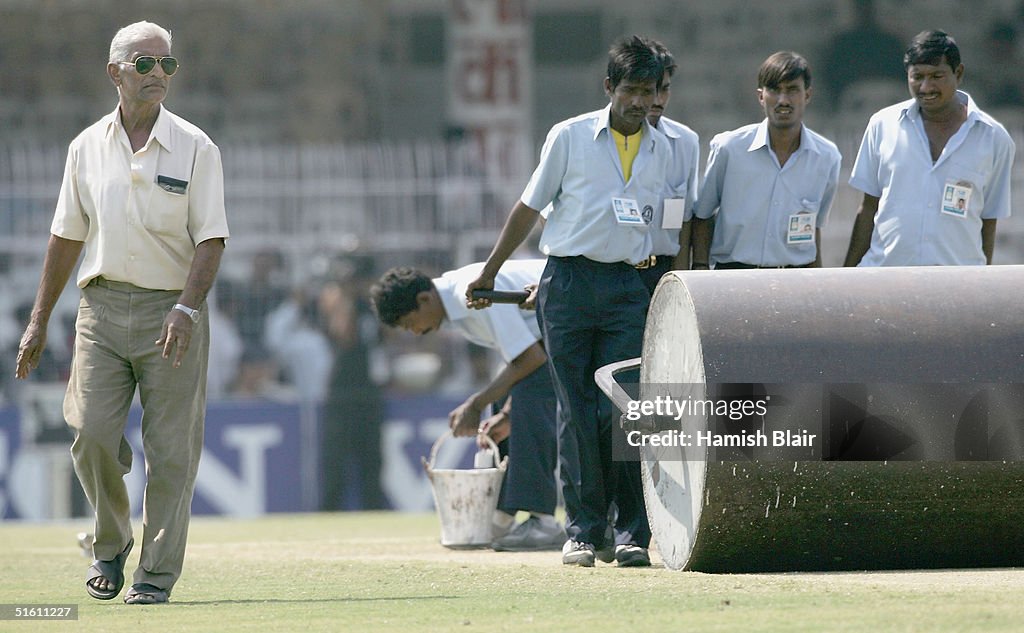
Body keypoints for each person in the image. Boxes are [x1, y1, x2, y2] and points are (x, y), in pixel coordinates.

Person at [14, 21, 229, 605]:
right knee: (89, 433)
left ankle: (155, 576)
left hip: (172, 311)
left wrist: (187, 307)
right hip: (100, 308)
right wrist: (38, 321)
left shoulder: (196, 146)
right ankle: (110, 543)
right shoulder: (85, 147)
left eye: (167, 65)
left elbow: (210, 239)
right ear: (115, 72)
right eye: (145, 64)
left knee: (171, 454)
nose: (159, 73)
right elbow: (65, 237)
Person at [466, 35, 672, 568]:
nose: (638, 102)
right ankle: (582, 531)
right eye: (629, 89)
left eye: (647, 91)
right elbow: (529, 209)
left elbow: (667, 228)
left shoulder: (664, 148)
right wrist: (489, 273)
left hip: (628, 287)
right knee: (577, 411)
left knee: (623, 410)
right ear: (609, 87)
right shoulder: (571, 137)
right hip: (569, 285)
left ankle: (630, 532)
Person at [371, 260, 565, 551]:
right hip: (564, 333)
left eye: (411, 323)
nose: (415, 332)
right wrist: (505, 413)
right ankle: (503, 515)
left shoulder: (471, 293)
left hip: (596, 314)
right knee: (505, 401)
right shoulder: (459, 306)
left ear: (424, 299)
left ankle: (542, 521)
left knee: (518, 396)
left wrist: (476, 404)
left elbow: (531, 359)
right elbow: (530, 354)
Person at [844, 30, 1016, 267]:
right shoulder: (882, 125)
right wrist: (848, 276)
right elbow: (868, 208)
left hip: (957, 282)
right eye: (917, 76)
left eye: (937, 76)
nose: (926, 87)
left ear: (959, 73)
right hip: (885, 279)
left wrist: (979, 282)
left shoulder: (994, 137)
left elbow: (988, 220)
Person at [692, 52, 841, 269]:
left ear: (807, 95)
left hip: (795, 280)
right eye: (774, 90)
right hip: (733, 276)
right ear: (761, 96)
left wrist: (816, 287)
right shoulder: (729, 148)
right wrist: (700, 268)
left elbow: (813, 229)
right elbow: (702, 215)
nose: (783, 100)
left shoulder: (827, 158)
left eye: (792, 90)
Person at [638, 39, 700, 293]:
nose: (657, 99)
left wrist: (680, 282)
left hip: (662, 272)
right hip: (615, 273)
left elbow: (685, 222)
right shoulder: (599, 142)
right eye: (648, 90)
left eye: (664, 89)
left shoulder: (685, 142)